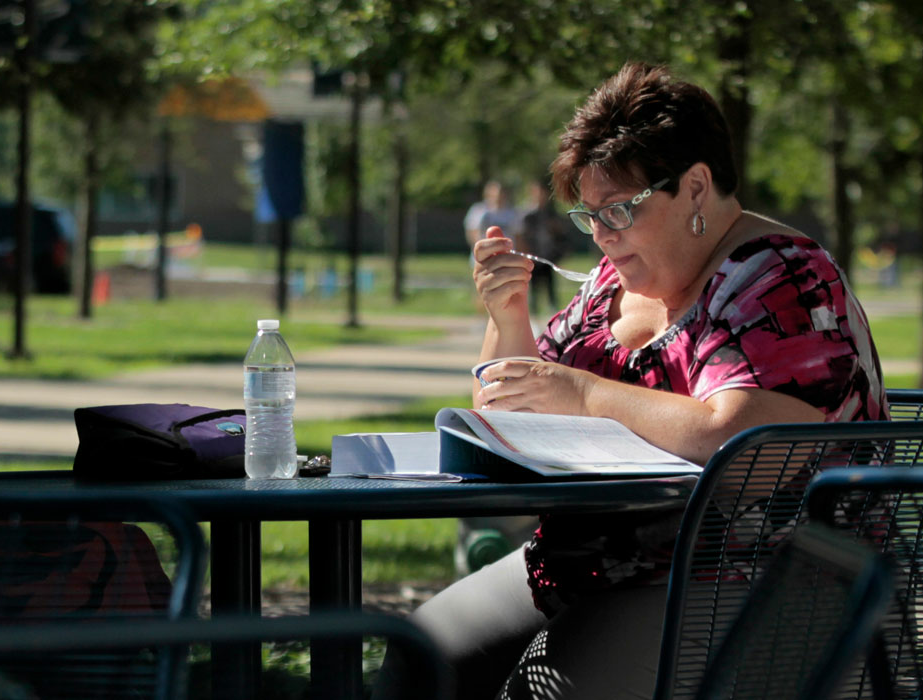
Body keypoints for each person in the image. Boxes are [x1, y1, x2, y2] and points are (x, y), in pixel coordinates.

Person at [375, 62, 887, 700]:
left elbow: (754, 450)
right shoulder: (612, 281)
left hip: (750, 577)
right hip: (601, 561)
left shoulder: (780, 275)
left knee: (546, 691)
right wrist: (508, 317)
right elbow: (508, 407)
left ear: (696, 187)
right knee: (417, 659)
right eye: (588, 216)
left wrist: (585, 395)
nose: (601, 236)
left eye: (619, 210)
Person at [516, 181, 564, 313]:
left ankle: (553, 314)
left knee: (550, 288)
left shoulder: (551, 213)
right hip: (533, 256)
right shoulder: (527, 214)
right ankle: (533, 317)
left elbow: (559, 235)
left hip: (548, 256)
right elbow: (521, 236)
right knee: (533, 289)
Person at [464, 180, 518, 263]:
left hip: (507, 258)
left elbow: (518, 236)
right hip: (484, 258)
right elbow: (472, 233)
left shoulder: (512, 213)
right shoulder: (478, 210)